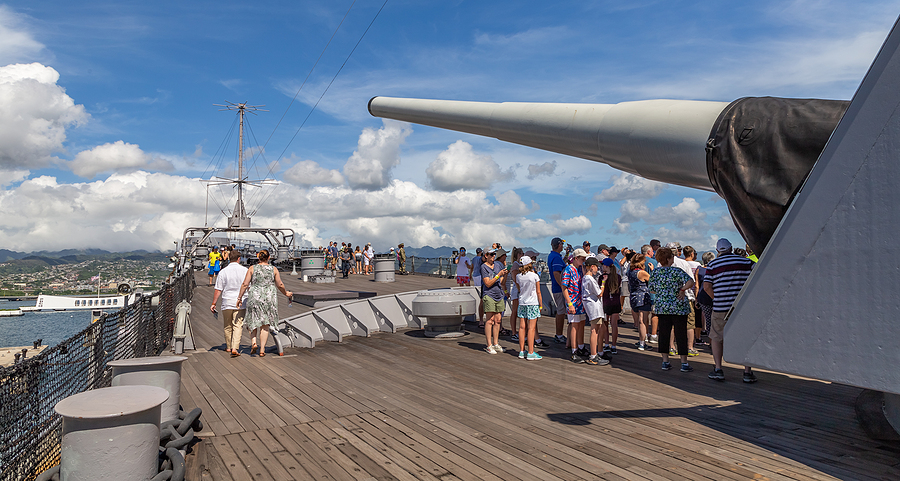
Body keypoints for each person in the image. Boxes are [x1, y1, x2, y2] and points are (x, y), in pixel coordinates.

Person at [704, 238, 757, 383]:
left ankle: (718, 369)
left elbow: (707, 286)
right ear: (731, 248)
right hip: (742, 307)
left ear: (717, 251)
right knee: (745, 337)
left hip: (721, 307)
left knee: (716, 337)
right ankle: (747, 372)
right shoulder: (745, 262)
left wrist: (717, 298)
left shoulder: (713, 264)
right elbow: (758, 274)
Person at [237, 249, 293, 357]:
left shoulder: (252, 268)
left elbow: (245, 284)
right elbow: (280, 284)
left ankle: (254, 343)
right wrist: (286, 293)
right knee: (265, 324)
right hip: (269, 298)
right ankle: (262, 350)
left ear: (258, 257)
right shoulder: (274, 269)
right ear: (269, 257)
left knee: (252, 320)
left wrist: (239, 297)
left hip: (255, 297)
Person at [649, 247, 695, 372]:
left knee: (664, 333)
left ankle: (665, 361)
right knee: (681, 334)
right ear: (669, 258)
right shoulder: (677, 271)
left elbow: (651, 289)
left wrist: (662, 292)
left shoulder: (655, 273)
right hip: (679, 307)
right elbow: (691, 281)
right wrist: (682, 290)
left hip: (662, 307)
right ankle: (684, 363)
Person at [211, 249, 248, 357]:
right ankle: (235, 348)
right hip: (240, 301)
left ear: (228, 258)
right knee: (238, 325)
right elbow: (248, 286)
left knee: (227, 325)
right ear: (239, 259)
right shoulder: (245, 270)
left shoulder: (223, 271)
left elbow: (218, 289)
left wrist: (214, 303)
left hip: (227, 301)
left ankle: (228, 346)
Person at [582, 257, 610, 366]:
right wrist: (603, 282)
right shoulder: (590, 278)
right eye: (596, 267)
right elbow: (600, 293)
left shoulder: (585, 278)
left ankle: (595, 353)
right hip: (594, 307)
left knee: (597, 329)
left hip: (591, 306)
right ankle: (593, 355)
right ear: (592, 267)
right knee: (595, 330)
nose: (597, 269)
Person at [515, 255, 542, 360]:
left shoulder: (518, 276)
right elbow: (538, 292)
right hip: (533, 303)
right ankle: (531, 352)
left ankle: (522, 351)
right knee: (531, 328)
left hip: (522, 303)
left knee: (522, 327)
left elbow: (519, 289)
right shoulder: (534, 276)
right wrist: (540, 304)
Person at [564, 248, 588, 362]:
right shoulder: (568, 269)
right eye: (582, 259)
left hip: (580, 301)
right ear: (576, 258)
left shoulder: (579, 269)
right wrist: (569, 303)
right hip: (573, 301)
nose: (583, 261)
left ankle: (581, 346)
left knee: (581, 324)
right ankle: (574, 350)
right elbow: (564, 287)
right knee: (574, 325)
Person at [481, 249, 508, 354]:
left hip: (499, 294)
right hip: (489, 295)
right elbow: (487, 283)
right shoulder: (483, 267)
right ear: (486, 255)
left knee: (498, 320)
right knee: (489, 320)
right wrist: (498, 275)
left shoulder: (497, 265)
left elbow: (501, 282)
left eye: (494, 254)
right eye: (491, 254)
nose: (493, 256)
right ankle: (489, 345)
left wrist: (504, 275)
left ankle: (496, 343)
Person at [628, 254, 652, 350]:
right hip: (643, 297)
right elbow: (653, 281)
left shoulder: (630, 272)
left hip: (634, 296)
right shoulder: (642, 273)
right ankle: (642, 343)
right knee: (643, 320)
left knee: (640, 320)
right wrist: (653, 270)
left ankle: (641, 340)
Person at [548, 237, 568, 345]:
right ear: (559, 245)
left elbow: (560, 265)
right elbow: (556, 273)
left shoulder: (554, 256)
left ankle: (559, 334)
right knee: (561, 311)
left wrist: (566, 256)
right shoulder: (556, 258)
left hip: (557, 288)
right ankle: (559, 335)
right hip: (559, 289)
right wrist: (563, 287)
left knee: (561, 311)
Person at [600, 258, 621, 353]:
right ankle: (614, 346)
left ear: (605, 266)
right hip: (616, 303)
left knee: (605, 324)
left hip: (606, 303)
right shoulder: (618, 277)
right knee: (614, 325)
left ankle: (606, 344)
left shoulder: (602, 278)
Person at [507, 247, 524, 340]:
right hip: (517, 290)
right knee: (515, 311)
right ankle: (514, 332)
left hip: (518, 290)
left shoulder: (518, 264)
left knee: (517, 311)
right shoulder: (515, 265)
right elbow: (515, 278)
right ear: (518, 255)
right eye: (522, 253)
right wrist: (519, 290)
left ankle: (516, 332)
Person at [471, 247, 485, 327]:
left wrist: (470, 274)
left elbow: (472, 267)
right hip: (480, 276)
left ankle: (481, 320)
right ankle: (482, 319)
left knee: (478, 289)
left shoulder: (474, 258)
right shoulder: (481, 259)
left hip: (475, 275)